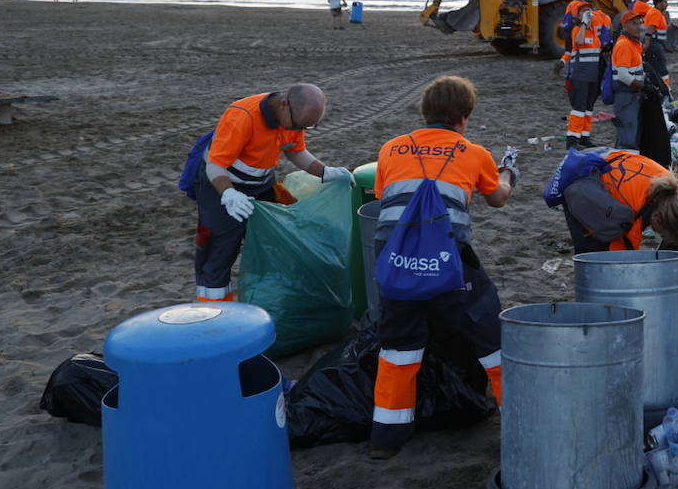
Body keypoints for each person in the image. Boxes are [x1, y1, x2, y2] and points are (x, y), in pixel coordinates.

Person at [369, 76, 517, 459]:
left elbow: (384, 196)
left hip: (395, 255)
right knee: (489, 333)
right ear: (464, 117)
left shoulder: (390, 148)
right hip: (447, 256)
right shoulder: (473, 152)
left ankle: (386, 436)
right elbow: (498, 198)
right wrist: (507, 173)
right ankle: (519, 418)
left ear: (424, 111)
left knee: (399, 343)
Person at [194, 84, 353, 302]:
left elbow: (296, 151)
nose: (299, 131)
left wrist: (326, 172)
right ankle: (214, 314)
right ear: (284, 104)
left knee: (275, 242)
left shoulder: (293, 119)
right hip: (220, 185)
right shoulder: (243, 116)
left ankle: (270, 302)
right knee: (219, 252)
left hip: (260, 184)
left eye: (306, 128)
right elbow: (215, 166)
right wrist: (229, 195)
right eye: (298, 125)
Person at [558, 151, 678, 254]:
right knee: (592, 251)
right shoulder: (629, 218)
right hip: (579, 191)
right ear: (657, 218)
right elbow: (622, 258)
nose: (657, 234)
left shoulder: (667, 181)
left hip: (596, 160)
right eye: (662, 233)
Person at [564, 4, 602, 148]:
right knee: (579, 108)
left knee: (588, 107)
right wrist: (584, 24)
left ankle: (584, 137)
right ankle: (572, 140)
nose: (588, 13)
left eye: (589, 11)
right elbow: (579, 42)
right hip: (580, 75)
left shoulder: (594, 32)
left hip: (592, 75)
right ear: (579, 16)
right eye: (584, 12)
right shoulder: (577, 30)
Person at [611, 11, 646, 152]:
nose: (639, 27)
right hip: (625, 95)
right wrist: (643, 87)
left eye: (640, 23)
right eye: (634, 23)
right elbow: (623, 75)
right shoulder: (624, 45)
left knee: (630, 132)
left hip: (631, 94)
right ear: (624, 26)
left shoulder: (633, 44)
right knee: (628, 136)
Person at [642, 0, 672, 96]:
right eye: (664, 2)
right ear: (658, 3)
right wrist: (646, 45)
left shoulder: (655, 12)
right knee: (661, 68)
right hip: (655, 45)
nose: (666, 4)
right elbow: (650, 30)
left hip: (656, 44)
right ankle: (666, 89)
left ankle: (659, 88)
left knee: (654, 67)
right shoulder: (655, 13)